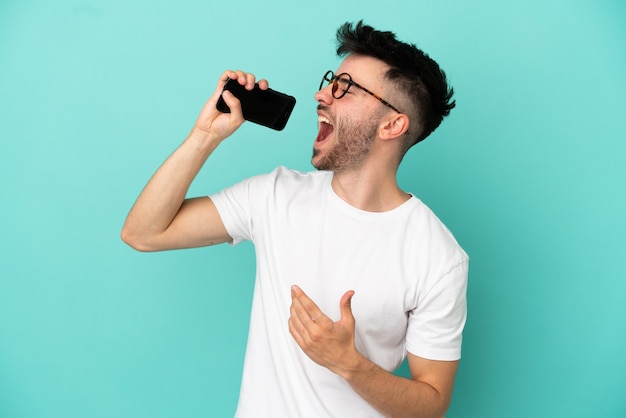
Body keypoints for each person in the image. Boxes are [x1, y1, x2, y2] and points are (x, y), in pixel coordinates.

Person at [122, 21, 468, 418]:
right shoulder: (274, 195)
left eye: (346, 88)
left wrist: (347, 363)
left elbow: (432, 406)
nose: (322, 95)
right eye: (330, 81)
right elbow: (143, 232)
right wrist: (205, 135)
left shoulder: (439, 257)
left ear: (393, 124)